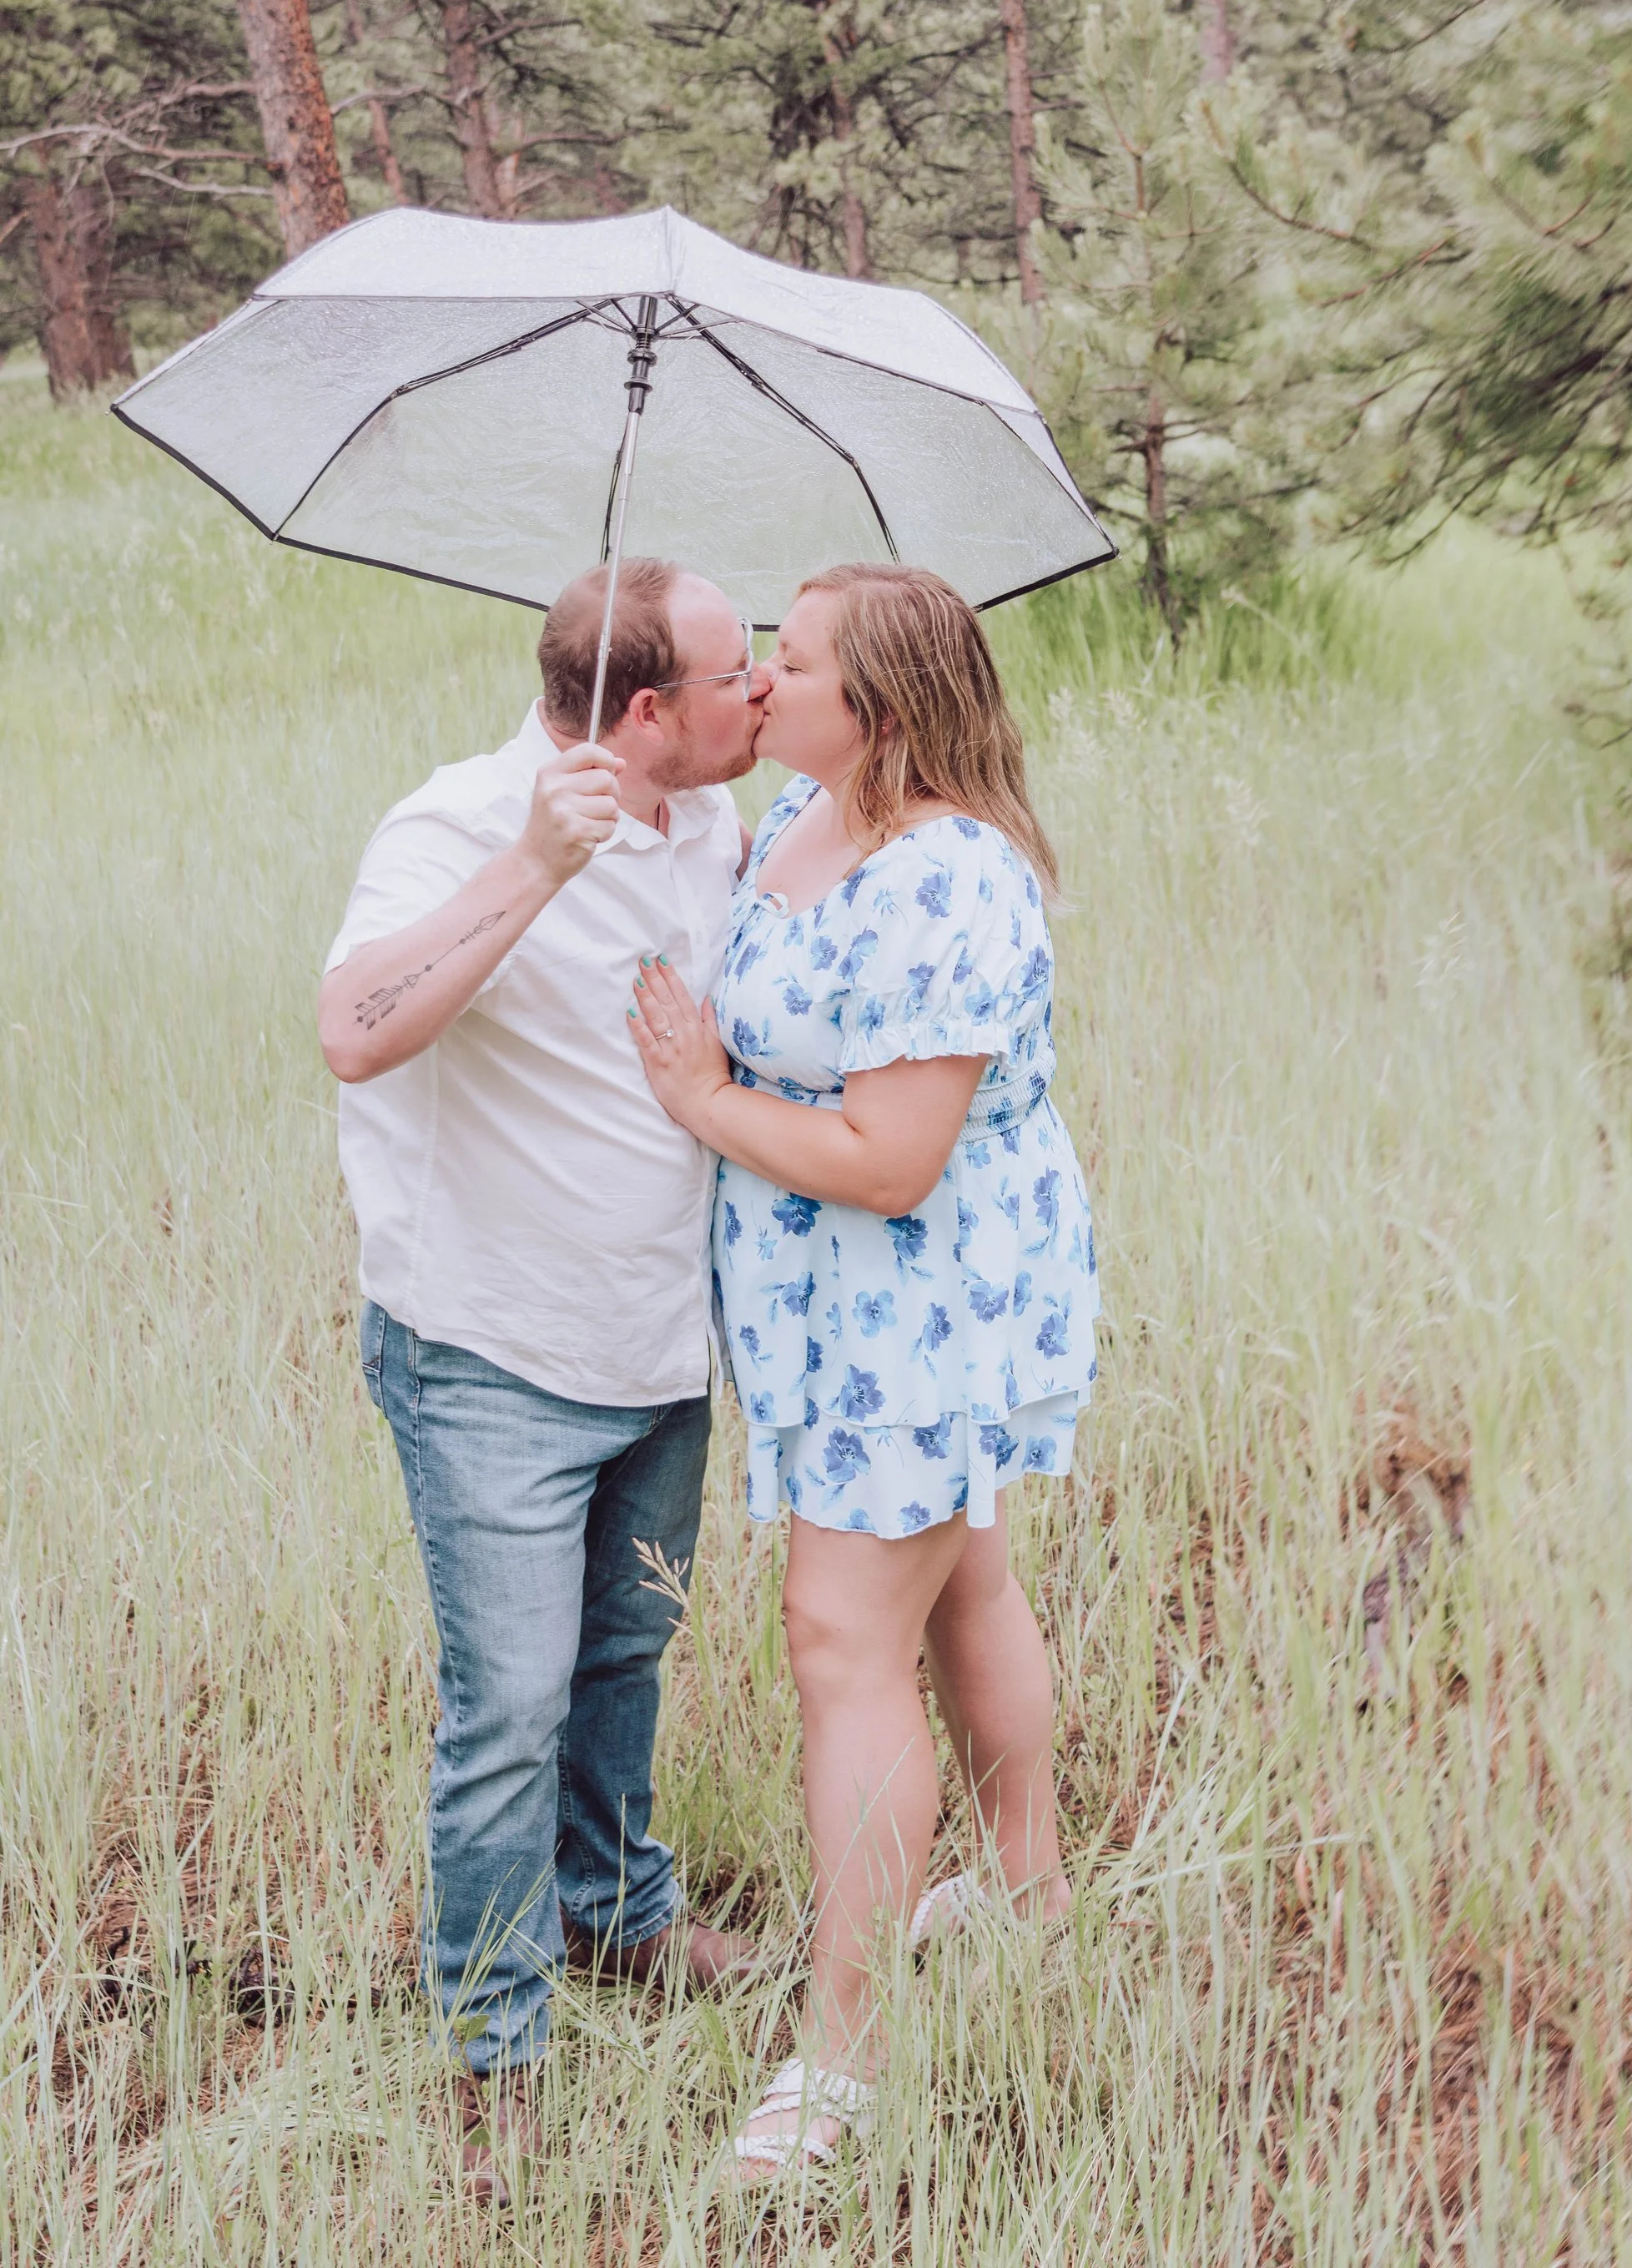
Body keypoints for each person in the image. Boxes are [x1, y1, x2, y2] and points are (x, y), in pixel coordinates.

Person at [627, 560, 1100, 2168]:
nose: (763, 682)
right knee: (963, 1577)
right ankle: (1028, 1893)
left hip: (921, 1305)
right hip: (826, 1311)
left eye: (799, 663)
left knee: (842, 1644)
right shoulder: (795, 826)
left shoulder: (951, 876)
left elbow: (894, 1159)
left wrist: (701, 1101)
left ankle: (843, 2057)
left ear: (878, 709)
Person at [319, 557, 769, 2209]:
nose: (765, 691)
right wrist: (533, 861)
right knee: (505, 1703)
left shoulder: (712, 825)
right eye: (736, 674)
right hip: (491, 1350)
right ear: (641, 709)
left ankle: (619, 1913)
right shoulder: (457, 823)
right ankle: (496, 2047)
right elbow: (354, 1030)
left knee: (622, 1657)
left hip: (659, 1339)